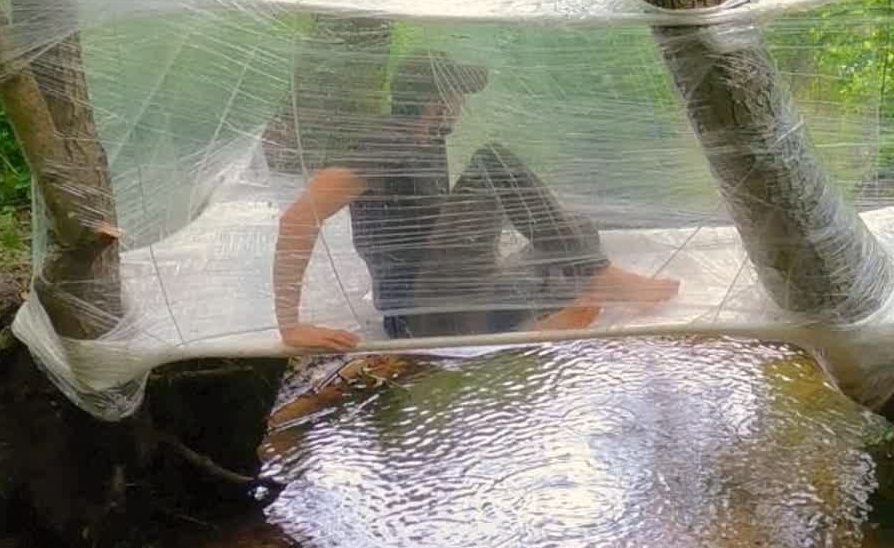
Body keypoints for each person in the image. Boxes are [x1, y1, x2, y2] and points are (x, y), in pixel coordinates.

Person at [273, 52, 679, 348]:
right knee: (493, 161)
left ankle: (566, 298)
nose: (462, 108)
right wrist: (290, 327)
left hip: (458, 299)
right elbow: (297, 219)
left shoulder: (424, 142)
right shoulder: (385, 145)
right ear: (439, 103)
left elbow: (438, 229)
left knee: (577, 230)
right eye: (458, 98)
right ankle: (592, 281)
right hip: (422, 316)